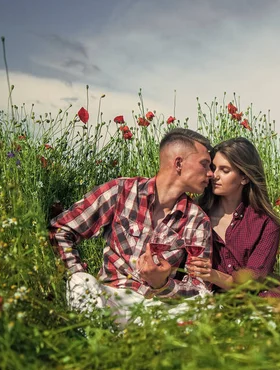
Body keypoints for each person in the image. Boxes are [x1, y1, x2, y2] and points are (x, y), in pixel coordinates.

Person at [48, 128, 214, 324]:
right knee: (79, 282)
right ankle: (96, 341)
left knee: (206, 303)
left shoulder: (197, 219)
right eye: (205, 165)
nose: (211, 174)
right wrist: (77, 270)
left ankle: (135, 341)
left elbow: (200, 286)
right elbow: (61, 229)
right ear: (178, 163)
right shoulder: (121, 191)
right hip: (112, 298)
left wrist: (162, 284)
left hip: (157, 307)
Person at [187, 137, 280, 298]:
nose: (214, 175)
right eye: (213, 168)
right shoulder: (195, 214)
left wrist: (214, 275)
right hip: (208, 300)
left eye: (225, 170)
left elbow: (254, 279)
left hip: (259, 299)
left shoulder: (266, 223)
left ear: (244, 177)